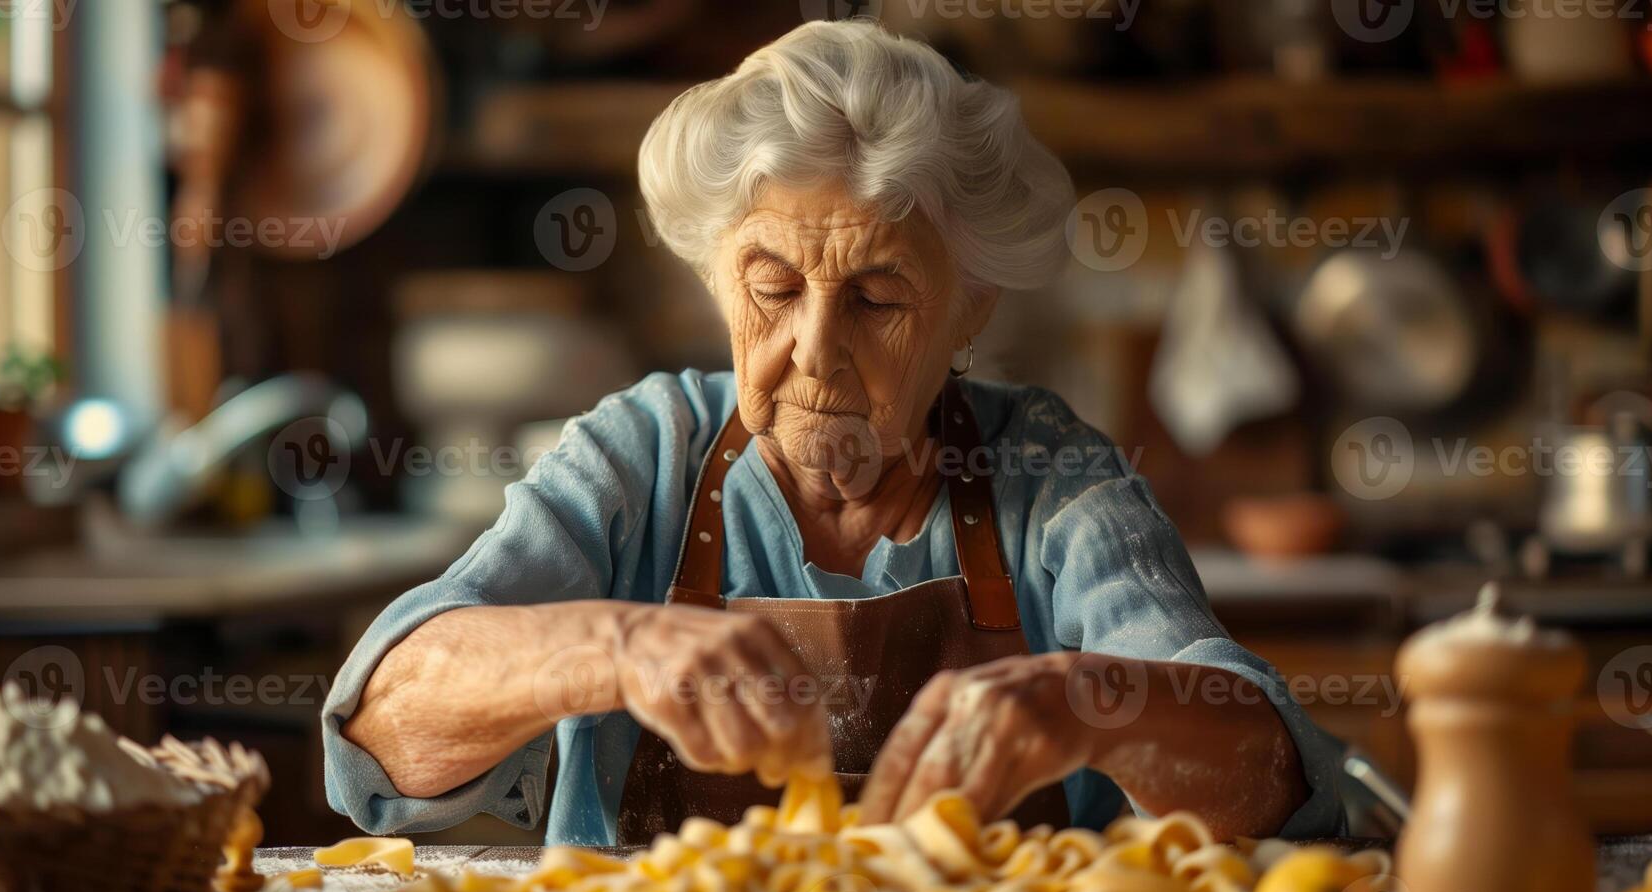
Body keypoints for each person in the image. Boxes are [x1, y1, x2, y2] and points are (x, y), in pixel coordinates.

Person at [323, 19, 1344, 847]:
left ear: (971, 304)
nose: (816, 349)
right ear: (716, 278)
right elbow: (381, 733)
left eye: (879, 297)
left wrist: (1086, 698)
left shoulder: (1049, 473)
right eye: (773, 287)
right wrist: (618, 643)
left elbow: (1271, 779)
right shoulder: (644, 455)